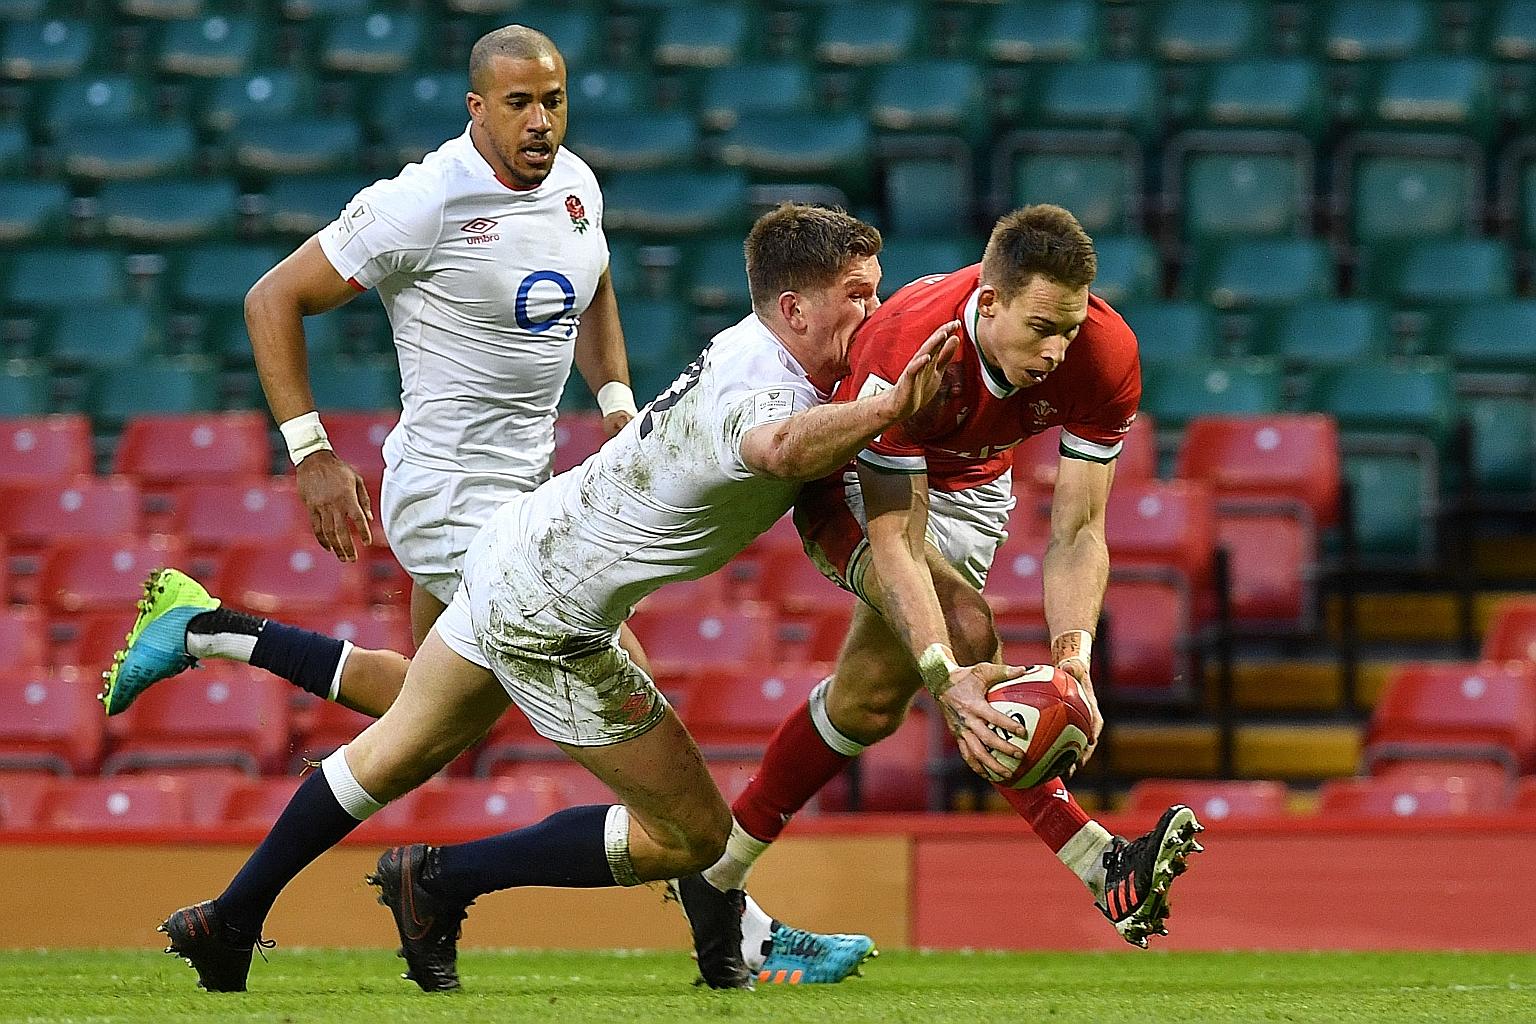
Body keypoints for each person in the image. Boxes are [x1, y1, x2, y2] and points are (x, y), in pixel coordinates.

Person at [153, 204, 1021, 995]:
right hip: (551, 618)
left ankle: (229, 920)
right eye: (858, 296)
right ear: (795, 310)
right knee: (695, 836)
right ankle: (446, 880)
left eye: (878, 292)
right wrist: (890, 407)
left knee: (393, 752)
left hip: (517, 547)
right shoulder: (765, 392)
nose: (876, 313)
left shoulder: (762, 350)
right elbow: (786, 447)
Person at [681, 205, 1205, 986]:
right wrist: (945, 674)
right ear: (989, 302)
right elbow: (895, 536)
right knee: (965, 631)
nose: (1056, 351)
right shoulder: (906, 345)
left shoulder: (1105, 352)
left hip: (975, 484)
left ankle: (717, 871)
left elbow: (1078, 531)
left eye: (1068, 329)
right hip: (857, 474)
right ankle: (1100, 863)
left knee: (867, 705)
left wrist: (1074, 662)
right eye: (1040, 329)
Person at [101, 24, 644, 722]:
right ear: (478, 108)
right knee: (625, 687)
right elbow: (272, 298)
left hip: (523, 485)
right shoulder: (424, 200)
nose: (541, 121)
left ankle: (205, 629)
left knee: (434, 715)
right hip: (448, 495)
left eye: (553, 100)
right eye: (519, 103)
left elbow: (592, 283)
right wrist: (311, 452)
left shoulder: (575, 183)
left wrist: (616, 403)